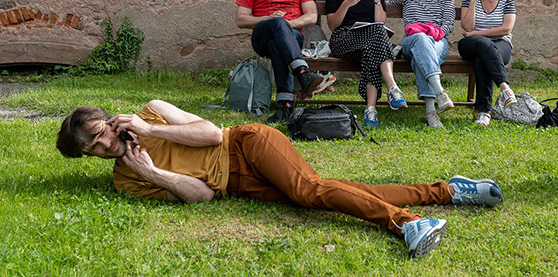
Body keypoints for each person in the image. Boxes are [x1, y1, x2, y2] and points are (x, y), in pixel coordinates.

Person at [57, 99, 504, 259]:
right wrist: (154, 173)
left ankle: (408, 223)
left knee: (310, 191)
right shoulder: (128, 181)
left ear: (109, 120)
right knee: (332, 193)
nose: (105, 145)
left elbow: (211, 134)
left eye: (101, 133)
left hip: (247, 144)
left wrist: (151, 131)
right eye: (93, 148)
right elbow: (203, 197)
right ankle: (449, 191)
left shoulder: (151, 112)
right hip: (238, 185)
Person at [235, 0, 323, 124]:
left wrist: (284, 25)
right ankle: (303, 72)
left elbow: (312, 16)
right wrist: (270, 19)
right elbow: (241, 20)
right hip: (262, 37)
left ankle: (286, 106)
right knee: (276, 24)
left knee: (277, 43)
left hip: (292, 37)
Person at [326, 0, 408, 128]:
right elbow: (333, 25)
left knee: (374, 46)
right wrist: (346, 4)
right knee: (378, 35)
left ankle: (371, 110)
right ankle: (392, 87)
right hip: (343, 40)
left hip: (370, 42)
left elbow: (380, 21)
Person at [388, 0, 456, 128]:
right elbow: (388, 5)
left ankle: (430, 112)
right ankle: (440, 91)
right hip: (411, 39)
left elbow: (448, 24)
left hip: (438, 41)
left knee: (422, 54)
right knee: (420, 39)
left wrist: (433, 33)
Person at [458, 0, 517, 126]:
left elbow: (506, 29)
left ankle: (484, 112)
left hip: (500, 44)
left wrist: (476, 34)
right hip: (471, 45)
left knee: (482, 59)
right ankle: (504, 88)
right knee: (483, 44)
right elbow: (467, 27)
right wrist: (473, 0)